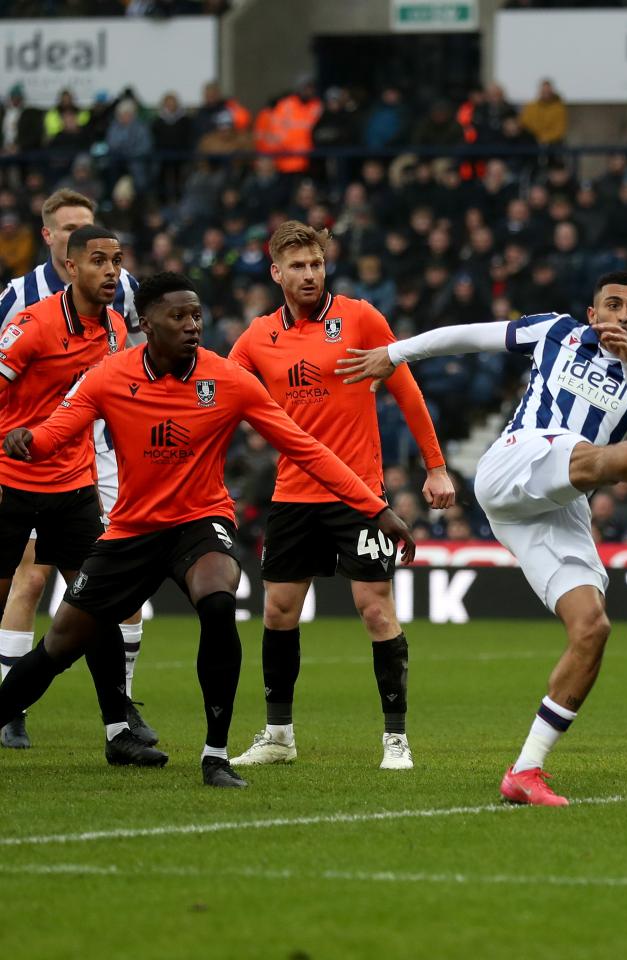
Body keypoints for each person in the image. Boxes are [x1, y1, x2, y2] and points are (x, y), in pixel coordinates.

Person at [336, 271, 627, 805]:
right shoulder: (556, 332)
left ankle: (526, 770)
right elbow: (471, 335)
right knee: (589, 457)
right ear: (593, 314)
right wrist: (395, 352)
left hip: (559, 500)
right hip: (516, 460)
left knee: (592, 628)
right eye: (612, 304)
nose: (622, 314)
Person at [0, 272, 414, 788]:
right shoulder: (108, 376)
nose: (192, 325)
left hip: (201, 523)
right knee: (60, 645)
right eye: (178, 316)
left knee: (218, 601)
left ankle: (215, 756)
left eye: (196, 315)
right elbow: (56, 432)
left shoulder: (228, 380)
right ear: (147, 323)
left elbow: (305, 447)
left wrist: (375, 508)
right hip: (132, 529)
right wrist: (27, 442)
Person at [227, 222, 454, 771]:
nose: (310, 275)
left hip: (360, 495)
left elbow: (407, 390)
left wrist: (436, 467)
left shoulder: (360, 318)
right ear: (275, 272)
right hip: (293, 494)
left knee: (374, 609)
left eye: (317, 264)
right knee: (279, 610)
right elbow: (222, 396)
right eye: (298, 266)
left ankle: (395, 740)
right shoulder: (257, 336)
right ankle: (279, 735)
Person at [0, 224, 156, 762]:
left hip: (73, 489)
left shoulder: (115, 327)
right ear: (70, 267)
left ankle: (118, 732)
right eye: (98, 261)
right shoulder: (31, 325)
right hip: (10, 484)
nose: (111, 271)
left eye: (117, 260)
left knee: (97, 606)